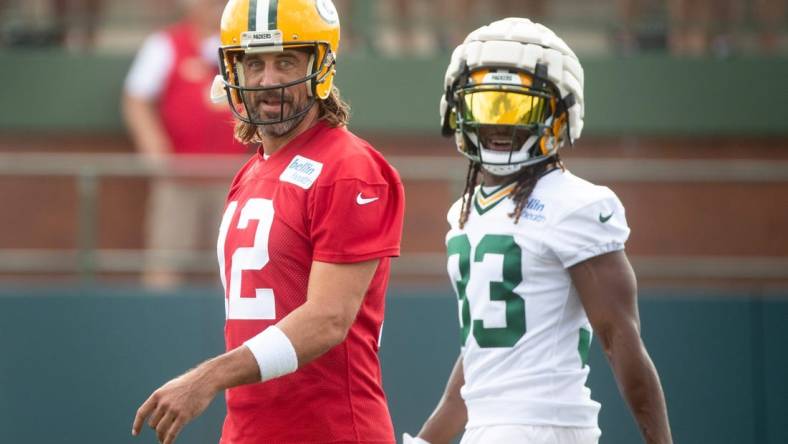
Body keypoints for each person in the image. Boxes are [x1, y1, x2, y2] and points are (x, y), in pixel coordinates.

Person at [131, 0, 405, 443]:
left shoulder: (348, 167)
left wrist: (206, 378)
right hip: (251, 431)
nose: (269, 80)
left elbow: (327, 319)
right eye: (254, 64)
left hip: (331, 433)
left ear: (321, 67)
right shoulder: (253, 170)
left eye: (285, 61)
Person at [403, 18, 673, 444]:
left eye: (516, 108)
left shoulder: (575, 204)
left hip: (548, 424)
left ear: (559, 115)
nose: (496, 124)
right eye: (484, 106)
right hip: (489, 428)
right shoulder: (465, 212)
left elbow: (619, 339)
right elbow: (482, 364)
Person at [122, 0, 247, 289]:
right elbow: (135, 100)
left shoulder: (243, 47)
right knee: (164, 262)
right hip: (179, 177)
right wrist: (155, 150)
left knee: (236, 264)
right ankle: (156, 327)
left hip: (233, 179)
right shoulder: (165, 44)